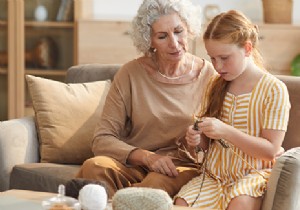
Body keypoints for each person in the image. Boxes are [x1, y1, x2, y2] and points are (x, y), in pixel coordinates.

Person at [75, 0, 216, 199]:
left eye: (178, 31)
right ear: (149, 40)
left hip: (181, 167)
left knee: (153, 186)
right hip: (137, 162)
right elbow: (102, 139)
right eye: (162, 36)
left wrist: (199, 140)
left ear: (189, 28)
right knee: (94, 166)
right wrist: (147, 157)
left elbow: (220, 137)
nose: (174, 43)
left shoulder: (209, 75)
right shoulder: (130, 74)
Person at [174, 10, 290, 210]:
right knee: (182, 203)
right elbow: (205, 147)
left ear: (247, 48)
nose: (217, 65)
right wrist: (197, 140)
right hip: (214, 177)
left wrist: (226, 131)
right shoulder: (215, 84)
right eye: (212, 58)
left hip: (252, 177)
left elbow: (271, 150)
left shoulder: (273, 89)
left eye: (224, 57)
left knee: (240, 203)